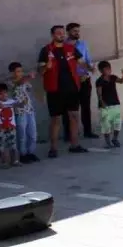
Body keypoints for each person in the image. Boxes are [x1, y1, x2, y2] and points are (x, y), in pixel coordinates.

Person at [37, 25, 84, 158]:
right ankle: (53, 148)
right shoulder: (46, 50)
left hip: (72, 89)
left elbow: (81, 62)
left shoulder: (71, 48)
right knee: (56, 119)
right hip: (55, 90)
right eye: (58, 33)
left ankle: (75, 145)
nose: (61, 35)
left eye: (63, 33)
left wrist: (89, 69)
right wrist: (47, 66)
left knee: (74, 116)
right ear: (53, 35)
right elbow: (40, 71)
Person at [66, 22, 96, 139]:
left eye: (78, 31)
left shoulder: (83, 44)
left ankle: (87, 131)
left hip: (84, 79)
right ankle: (69, 134)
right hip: (71, 81)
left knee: (86, 106)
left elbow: (88, 60)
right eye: (74, 31)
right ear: (68, 32)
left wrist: (90, 69)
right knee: (70, 108)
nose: (77, 33)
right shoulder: (64, 46)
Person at [7, 62, 40, 163]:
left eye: (21, 71)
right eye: (17, 71)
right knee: (22, 134)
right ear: (12, 73)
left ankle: (31, 152)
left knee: (33, 133)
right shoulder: (10, 83)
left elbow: (29, 90)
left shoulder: (25, 82)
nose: (20, 73)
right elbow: (18, 83)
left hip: (29, 110)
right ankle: (22, 154)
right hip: (19, 112)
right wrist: (28, 77)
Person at [95, 61, 123, 148]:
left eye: (109, 68)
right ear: (101, 71)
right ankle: (108, 142)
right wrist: (102, 102)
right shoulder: (99, 81)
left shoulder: (113, 77)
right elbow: (99, 93)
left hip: (115, 103)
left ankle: (115, 139)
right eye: (106, 69)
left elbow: (121, 81)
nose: (109, 70)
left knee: (117, 123)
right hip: (105, 106)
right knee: (106, 125)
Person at [0, 83, 19, 168]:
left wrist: (22, 102)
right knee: (0, 146)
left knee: (13, 144)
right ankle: (4, 162)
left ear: (7, 93)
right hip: (0, 128)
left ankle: (14, 161)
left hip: (11, 127)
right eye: (0, 94)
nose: (3, 95)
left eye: (5, 93)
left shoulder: (11, 101)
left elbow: (18, 104)